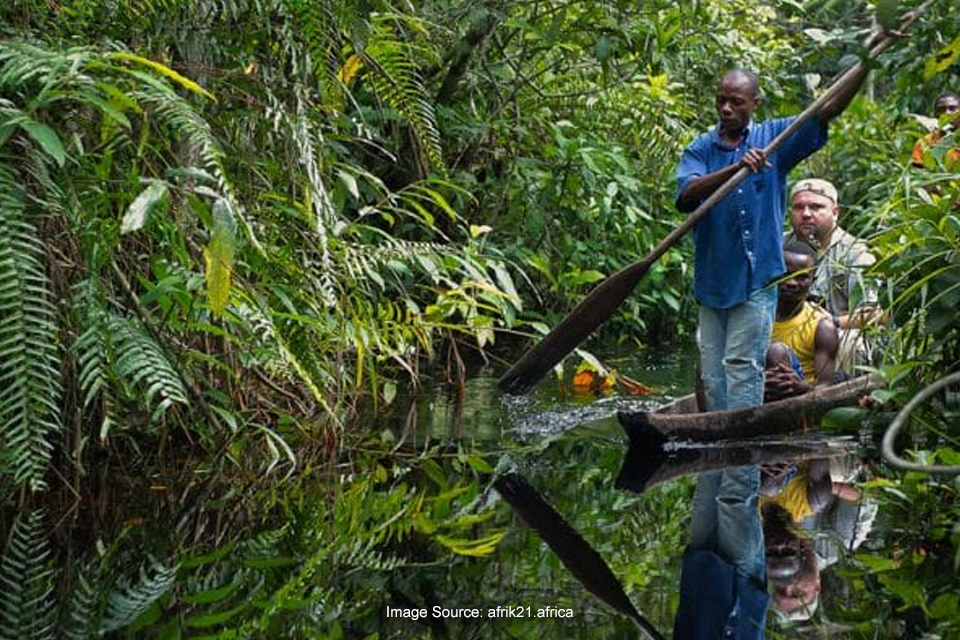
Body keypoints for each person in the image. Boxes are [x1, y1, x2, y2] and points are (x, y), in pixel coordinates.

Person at [673, 64, 868, 640]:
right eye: (721, 101)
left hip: (759, 281)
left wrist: (869, 61)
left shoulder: (775, 140)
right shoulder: (703, 149)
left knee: (741, 364)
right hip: (714, 281)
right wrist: (734, 168)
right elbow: (686, 197)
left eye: (737, 102)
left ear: (754, 104)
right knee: (713, 367)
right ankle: (724, 438)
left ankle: (735, 451)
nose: (727, 109)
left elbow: (827, 108)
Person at [786, 178, 880, 373]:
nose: (806, 214)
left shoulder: (855, 253)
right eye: (798, 207)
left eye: (816, 207)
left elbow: (875, 312)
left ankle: (848, 399)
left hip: (834, 333)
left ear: (835, 212)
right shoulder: (777, 245)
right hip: (783, 328)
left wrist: (828, 324)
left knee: (850, 341)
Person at [764, 240, 839, 401]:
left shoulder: (822, 326)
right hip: (758, 386)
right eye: (785, 274)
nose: (791, 283)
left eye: (801, 277)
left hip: (798, 398)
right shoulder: (756, 315)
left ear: (813, 279)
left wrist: (799, 386)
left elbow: (825, 388)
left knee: (776, 351)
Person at [911, 92, 960, 169]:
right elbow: (917, 172)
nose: (947, 113)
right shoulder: (924, 143)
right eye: (941, 110)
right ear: (935, 115)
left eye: (952, 108)